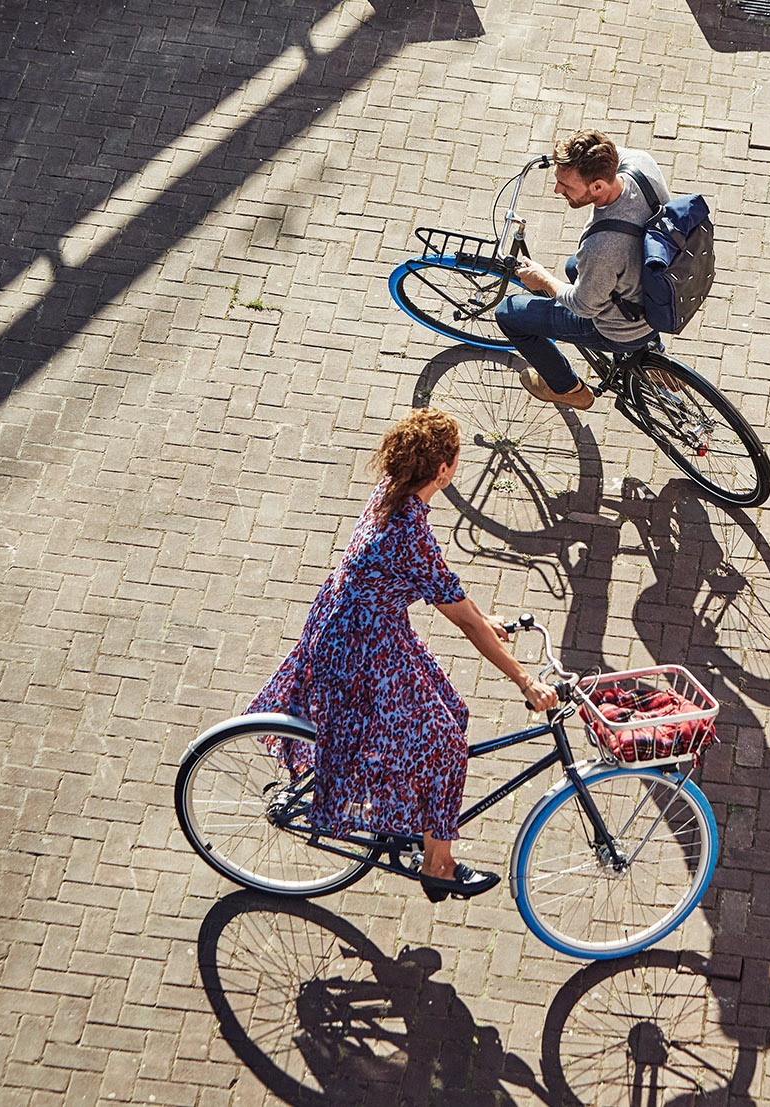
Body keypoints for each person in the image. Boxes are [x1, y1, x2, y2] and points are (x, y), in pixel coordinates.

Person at [245, 408, 559, 901]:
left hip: (358, 626)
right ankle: (438, 865)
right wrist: (525, 681)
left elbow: (444, 586)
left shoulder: (393, 492)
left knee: (450, 714)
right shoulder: (408, 533)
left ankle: (410, 812)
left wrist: (485, 617)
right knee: (446, 746)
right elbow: (462, 619)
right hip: (362, 648)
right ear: (442, 471)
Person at [495, 129, 672, 412]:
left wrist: (542, 279)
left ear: (598, 187)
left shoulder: (603, 245)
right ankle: (655, 363)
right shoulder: (641, 162)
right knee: (572, 266)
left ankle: (568, 389)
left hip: (622, 328)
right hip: (655, 290)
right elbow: (602, 154)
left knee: (509, 314)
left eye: (566, 185)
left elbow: (584, 306)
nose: (557, 191)